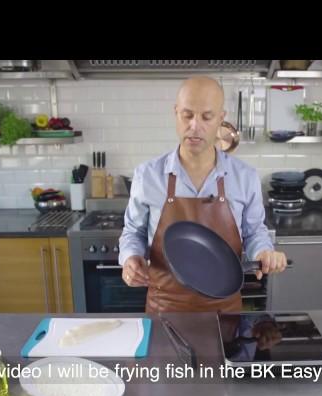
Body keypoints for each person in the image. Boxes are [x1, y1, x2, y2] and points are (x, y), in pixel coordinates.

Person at [119, 76, 287, 313]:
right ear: (175, 113)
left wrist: (264, 252)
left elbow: (254, 232)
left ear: (221, 118)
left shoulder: (244, 176)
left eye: (206, 117)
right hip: (163, 310)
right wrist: (130, 258)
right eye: (187, 115)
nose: (195, 126)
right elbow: (133, 231)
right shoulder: (147, 175)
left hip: (225, 312)